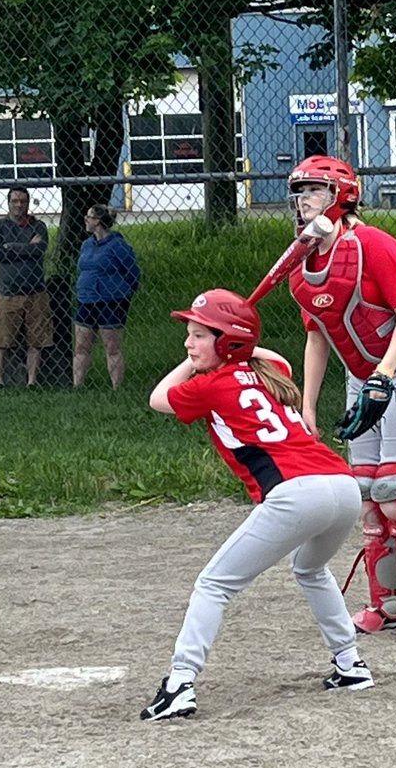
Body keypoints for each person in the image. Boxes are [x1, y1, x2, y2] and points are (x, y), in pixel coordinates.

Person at [141, 288, 374, 721]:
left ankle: (179, 685)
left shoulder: (210, 386)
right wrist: (230, 344)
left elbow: (158, 398)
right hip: (343, 487)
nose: (188, 344)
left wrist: (202, 360)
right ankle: (350, 663)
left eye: (198, 336)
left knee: (214, 584)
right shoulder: (271, 372)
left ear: (229, 342)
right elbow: (271, 356)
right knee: (310, 569)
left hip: (297, 493)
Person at [286, 156, 396, 644]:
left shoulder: (373, 244)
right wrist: (308, 406)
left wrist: (385, 374)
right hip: (362, 376)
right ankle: (385, 602)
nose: (303, 201)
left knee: (395, 487)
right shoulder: (302, 266)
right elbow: (317, 337)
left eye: (314, 190)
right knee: (366, 493)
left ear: (342, 196)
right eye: (299, 192)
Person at [0, 185, 53, 387]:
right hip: (8, 292)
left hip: (36, 292)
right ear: (8, 203)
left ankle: (31, 381)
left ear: (28, 203)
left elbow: (40, 250)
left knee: (36, 340)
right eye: (15, 201)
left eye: (22, 201)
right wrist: (27, 247)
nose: (19, 205)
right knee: (2, 340)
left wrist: (11, 247)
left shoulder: (38, 226)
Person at [73, 204, 141, 389]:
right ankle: (77, 385)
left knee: (112, 347)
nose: (85, 220)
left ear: (98, 221)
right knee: (81, 346)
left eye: (88, 217)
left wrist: (123, 291)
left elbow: (132, 272)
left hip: (111, 301)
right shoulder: (87, 245)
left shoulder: (117, 245)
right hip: (86, 299)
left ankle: (116, 387)